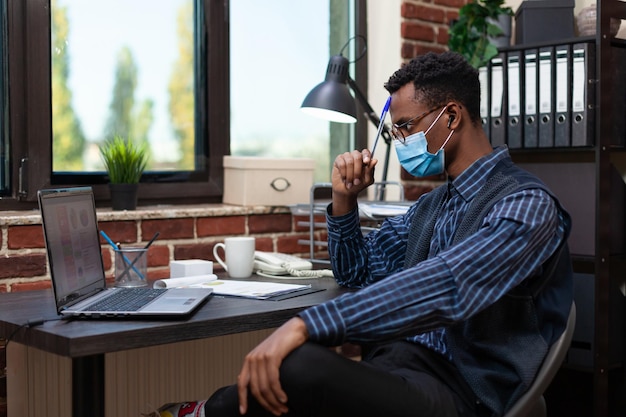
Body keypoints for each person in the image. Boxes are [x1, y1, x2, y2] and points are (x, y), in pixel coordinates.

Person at [150, 51, 573, 417]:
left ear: (451, 116)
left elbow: (448, 284)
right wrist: (343, 200)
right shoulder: (432, 206)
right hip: (400, 364)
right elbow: (357, 271)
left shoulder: (525, 206)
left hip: (463, 391)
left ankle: (201, 412)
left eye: (405, 127)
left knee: (298, 367)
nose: (398, 141)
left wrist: (305, 324)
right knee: (298, 377)